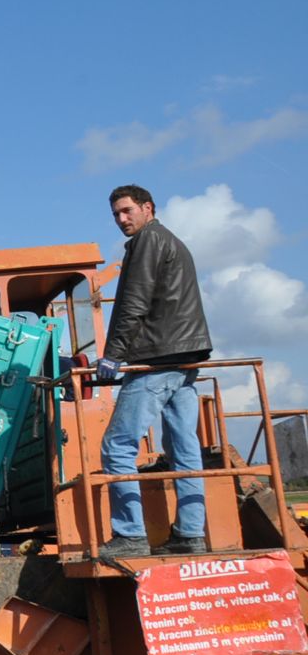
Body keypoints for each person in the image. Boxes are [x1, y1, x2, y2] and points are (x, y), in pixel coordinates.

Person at [96, 184, 213, 558]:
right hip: (183, 356)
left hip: (157, 358)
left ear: (148, 208)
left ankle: (130, 534)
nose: (121, 219)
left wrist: (112, 356)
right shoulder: (171, 241)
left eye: (127, 210)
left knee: (117, 446)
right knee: (183, 445)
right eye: (116, 214)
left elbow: (134, 301)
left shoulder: (148, 240)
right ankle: (191, 533)